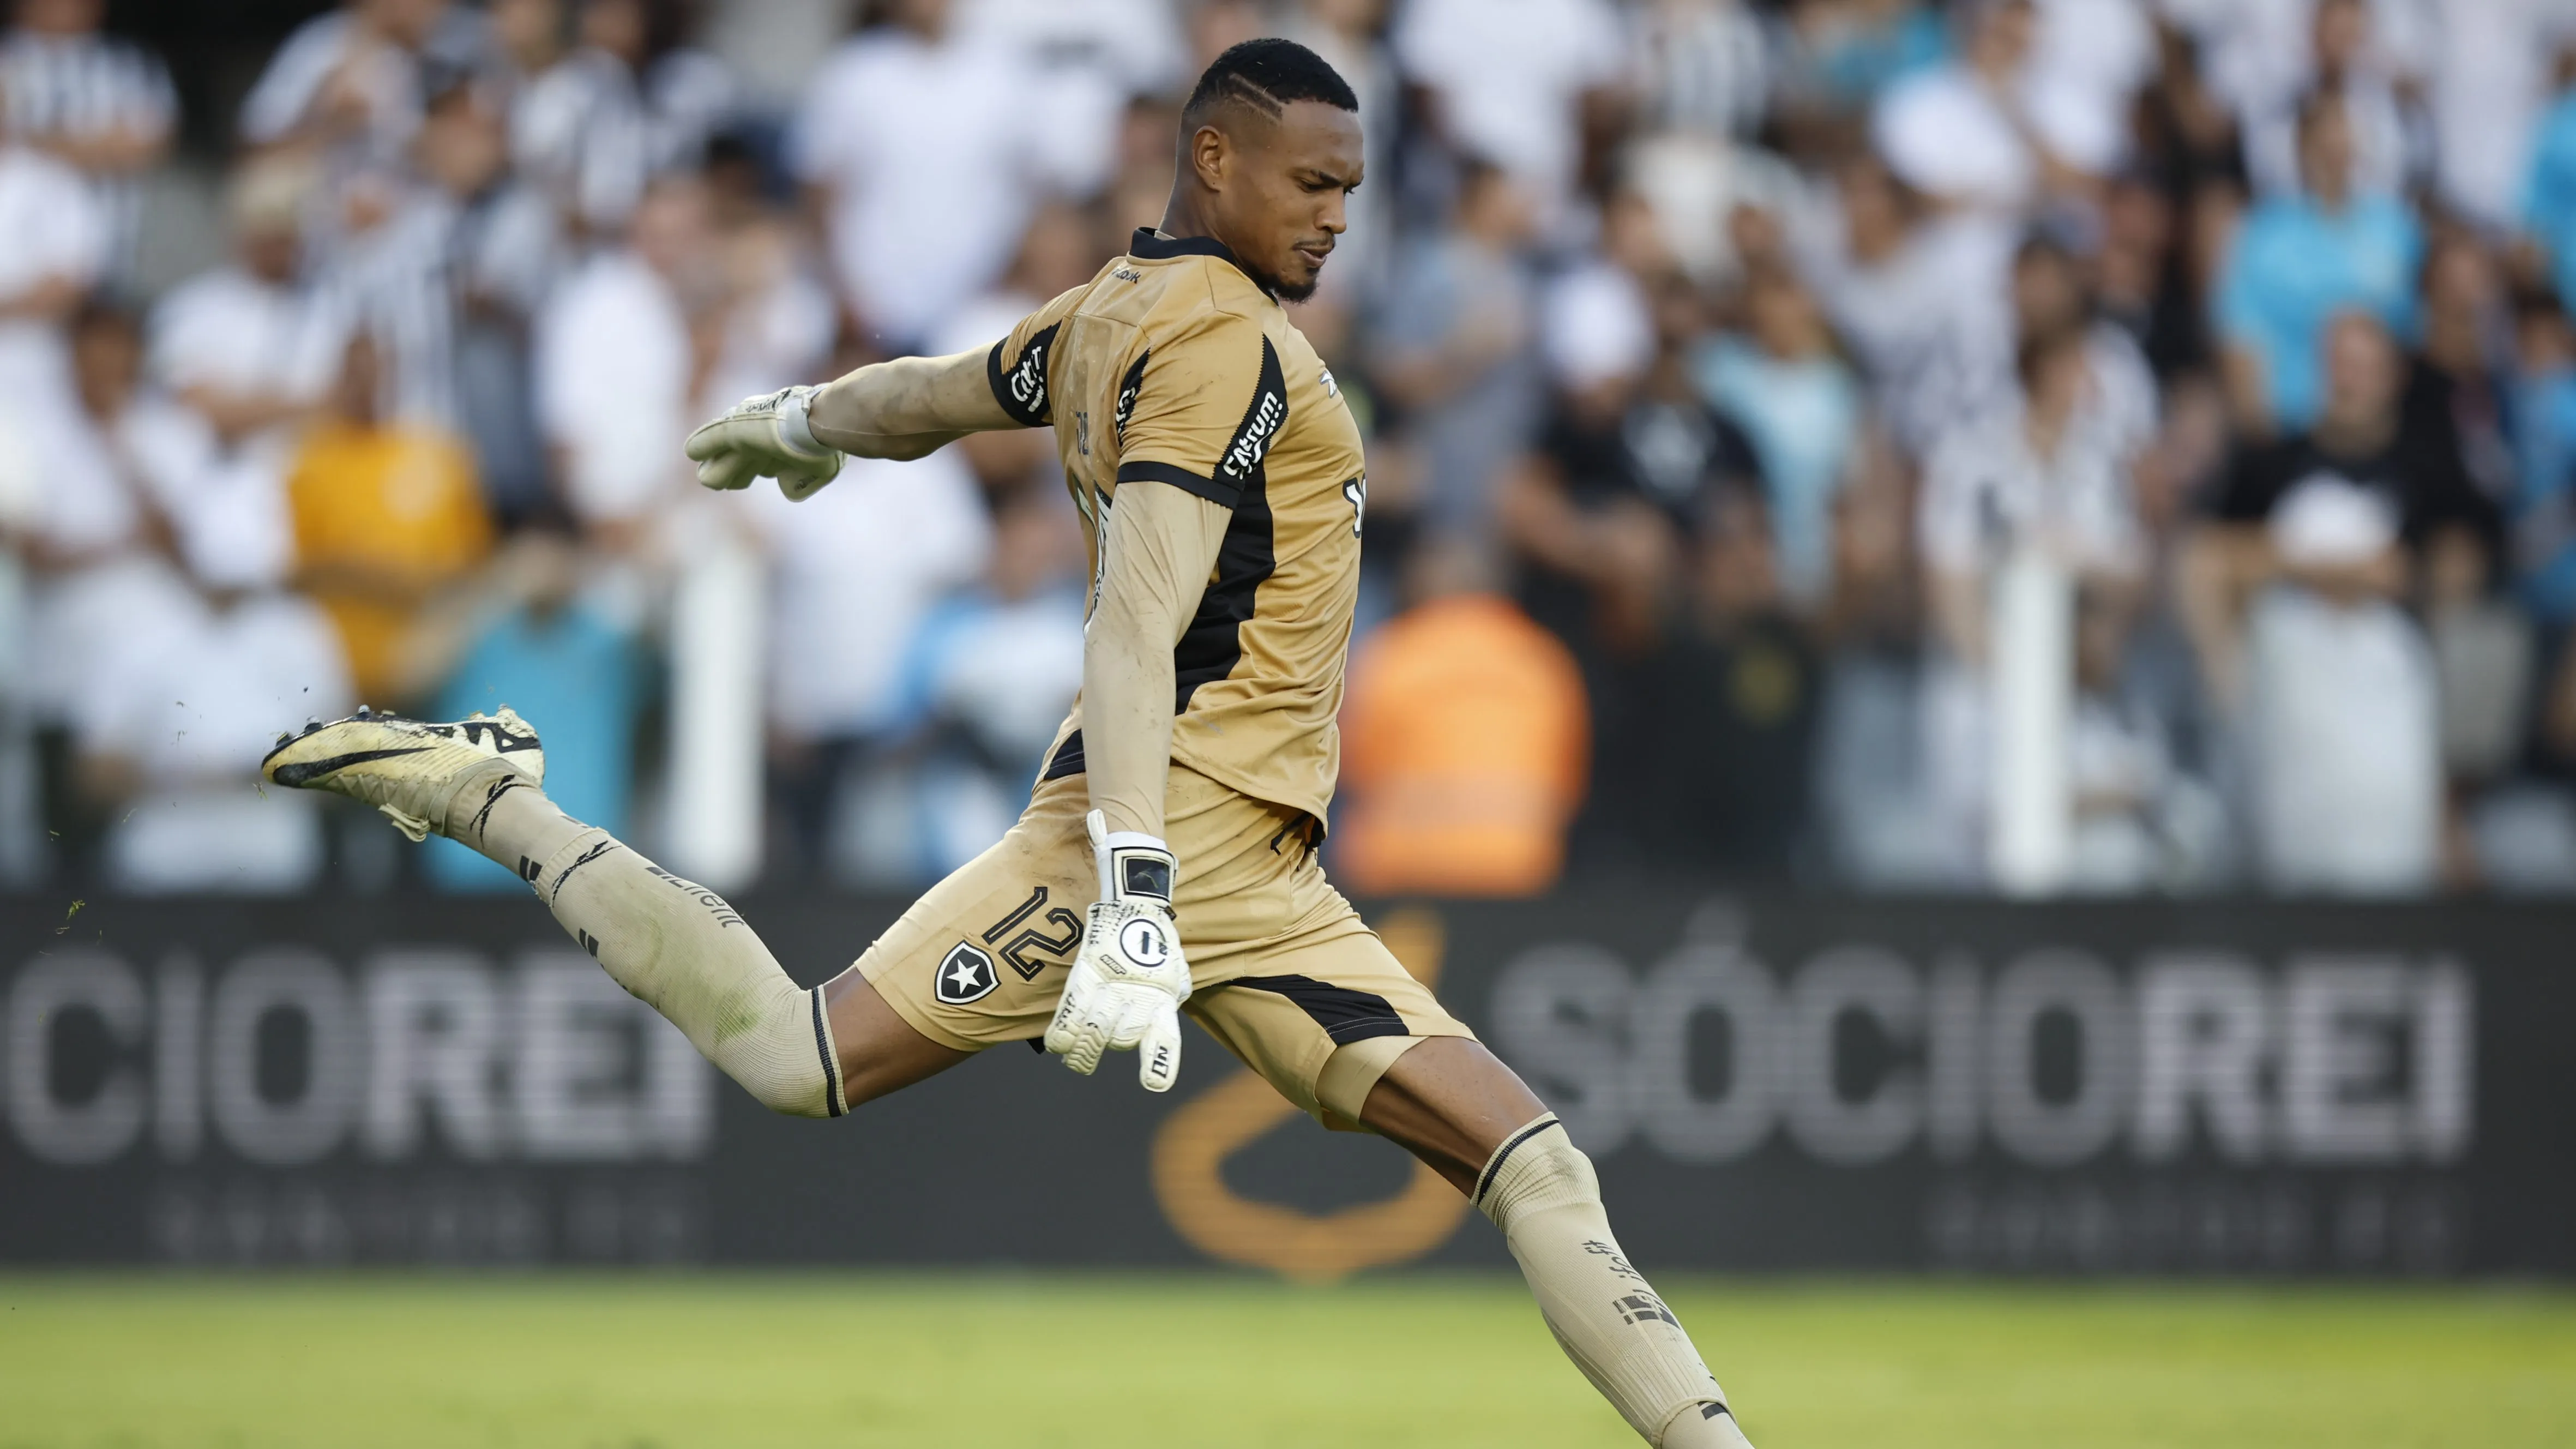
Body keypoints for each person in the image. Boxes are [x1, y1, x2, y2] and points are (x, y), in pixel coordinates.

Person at [263, 39, 1757, 1449]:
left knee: (1533, 1162)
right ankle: (493, 795)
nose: (1335, 218)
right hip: (1164, 831)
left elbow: (937, 394)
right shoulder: (1221, 348)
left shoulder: (1107, 310)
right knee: (798, 1058)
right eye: (1311, 182)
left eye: (1352, 191)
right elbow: (1132, 627)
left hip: (1265, 877)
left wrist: (803, 419)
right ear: (1215, 159)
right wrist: (1136, 885)